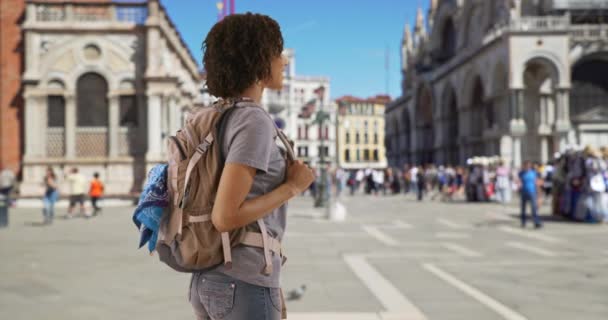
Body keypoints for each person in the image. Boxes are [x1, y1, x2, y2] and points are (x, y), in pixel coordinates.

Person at [190, 13, 315, 320]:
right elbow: (225, 216)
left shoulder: (214, 115)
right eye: (277, 52)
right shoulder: (253, 120)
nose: (283, 61)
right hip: (242, 283)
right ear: (259, 59)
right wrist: (293, 187)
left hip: (208, 278)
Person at [518, 161, 543, 229]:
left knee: (534, 208)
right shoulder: (521, 173)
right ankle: (523, 222)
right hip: (524, 192)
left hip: (532, 192)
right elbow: (519, 182)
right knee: (523, 208)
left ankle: (536, 222)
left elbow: (537, 183)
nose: (527, 167)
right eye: (526, 165)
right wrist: (519, 188)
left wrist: (539, 194)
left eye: (528, 166)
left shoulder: (534, 173)